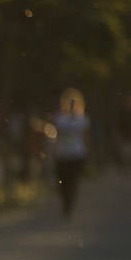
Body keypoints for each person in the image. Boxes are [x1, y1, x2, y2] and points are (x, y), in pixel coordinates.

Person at [52, 87, 92, 218]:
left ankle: (69, 206)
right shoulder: (60, 118)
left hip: (76, 154)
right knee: (63, 182)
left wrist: (87, 153)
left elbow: (86, 137)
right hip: (63, 154)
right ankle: (66, 203)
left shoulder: (82, 119)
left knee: (73, 182)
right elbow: (56, 136)